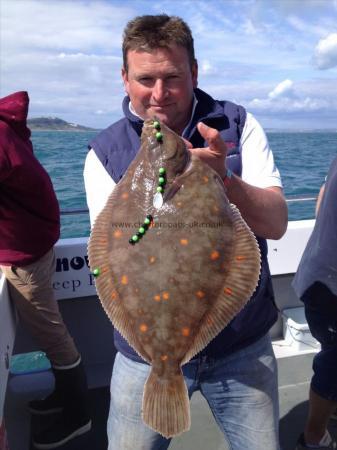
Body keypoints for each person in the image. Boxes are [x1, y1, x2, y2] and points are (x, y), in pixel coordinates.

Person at [84, 14, 288, 450]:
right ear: (124, 79)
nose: (158, 94)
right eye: (145, 79)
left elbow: (275, 224)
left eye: (172, 77)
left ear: (194, 72)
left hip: (242, 346)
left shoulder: (239, 126)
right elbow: (112, 257)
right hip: (143, 355)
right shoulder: (103, 153)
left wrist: (224, 180)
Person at [0, 91, 91, 449]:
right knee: (50, 331)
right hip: (35, 243)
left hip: (24, 254)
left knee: (52, 334)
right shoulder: (8, 130)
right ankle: (64, 398)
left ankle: (78, 415)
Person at [292, 157, 337, 450]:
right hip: (329, 288)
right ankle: (314, 436)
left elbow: (321, 197)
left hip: (315, 275)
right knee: (333, 363)